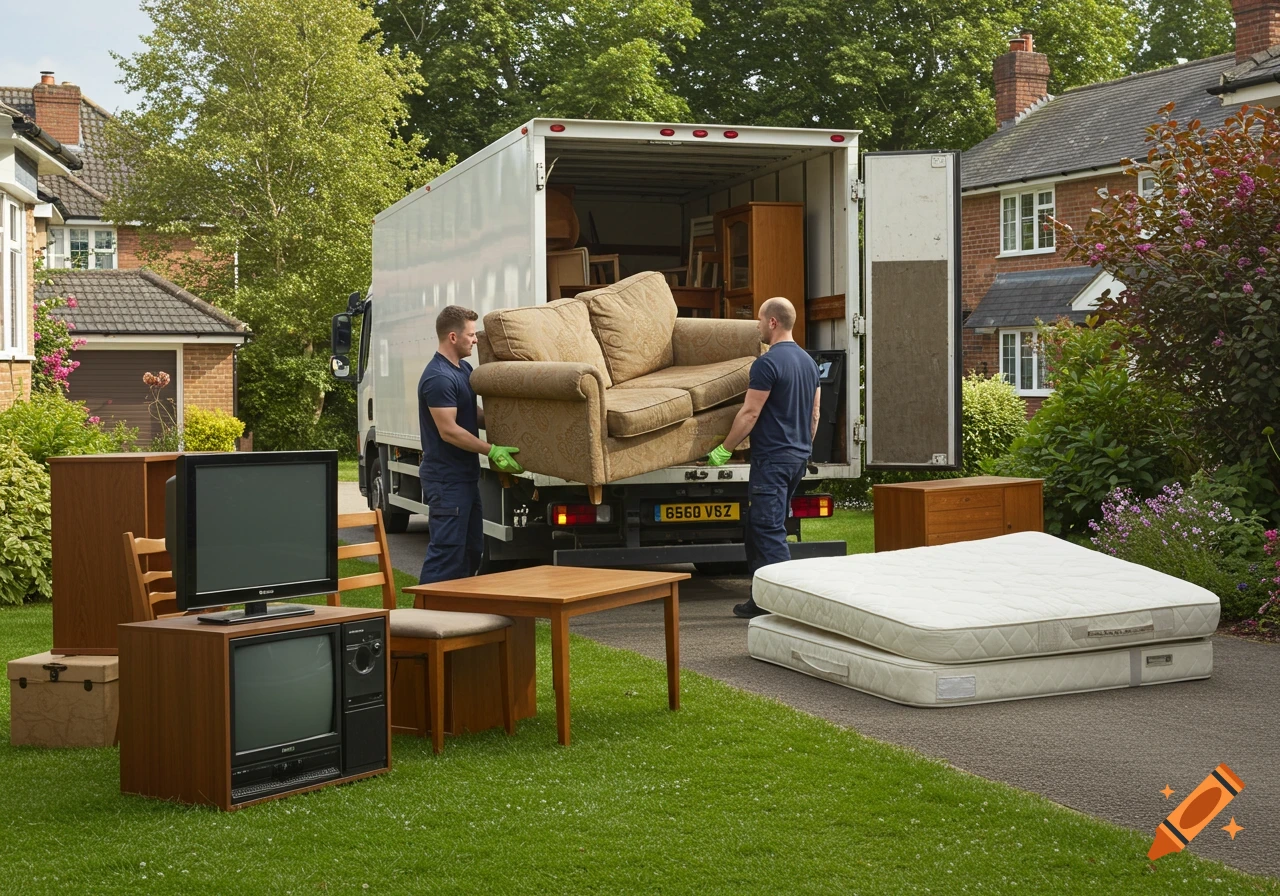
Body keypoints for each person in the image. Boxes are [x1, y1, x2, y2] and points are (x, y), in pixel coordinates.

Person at [706, 296, 820, 618]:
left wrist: (725, 449)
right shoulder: (810, 364)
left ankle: (785, 605)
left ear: (772, 322)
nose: (757, 326)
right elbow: (814, 415)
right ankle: (760, 598)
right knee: (758, 528)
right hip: (797, 457)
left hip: (772, 459)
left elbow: (750, 413)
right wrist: (802, 448)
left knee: (768, 530)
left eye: (759, 320)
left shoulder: (767, 364)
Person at [417, 305, 524, 584]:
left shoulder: (463, 369)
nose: (476, 340)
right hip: (446, 481)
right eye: (471, 335)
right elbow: (449, 431)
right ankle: (426, 610)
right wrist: (491, 450)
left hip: (464, 477)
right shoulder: (439, 378)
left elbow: (470, 412)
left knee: (471, 551)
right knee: (447, 555)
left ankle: (458, 609)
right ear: (453, 337)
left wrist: (510, 426)